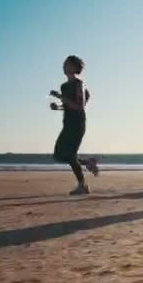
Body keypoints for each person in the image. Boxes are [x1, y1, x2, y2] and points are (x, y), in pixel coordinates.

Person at [49, 55, 99, 195]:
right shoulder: (64, 86)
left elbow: (79, 106)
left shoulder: (79, 84)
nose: (63, 66)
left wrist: (60, 97)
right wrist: (58, 107)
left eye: (66, 63)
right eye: (64, 63)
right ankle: (88, 162)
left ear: (74, 67)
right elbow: (69, 105)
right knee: (58, 154)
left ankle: (82, 185)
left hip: (77, 123)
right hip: (68, 123)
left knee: (70, 154)